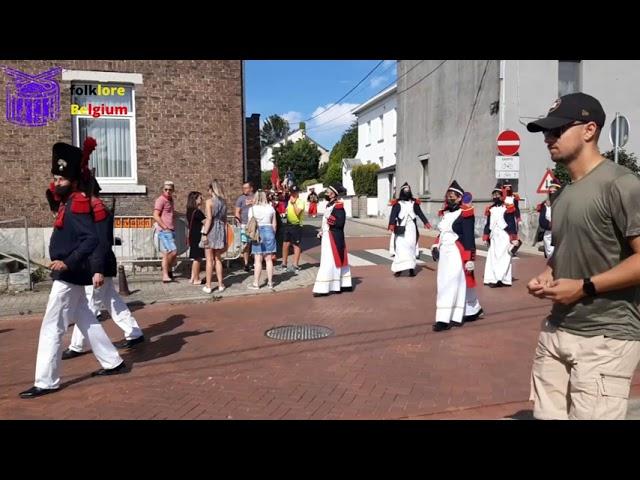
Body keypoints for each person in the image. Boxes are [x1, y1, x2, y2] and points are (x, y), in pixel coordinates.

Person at [526, 92, 640, 420]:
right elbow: (566, 251)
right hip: (557, 330)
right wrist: (549, 273)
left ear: (589, 130)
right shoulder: (563, 194)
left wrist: (585, 286)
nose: (548, 138)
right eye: (546, 132)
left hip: (606, 337)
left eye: (557, 130)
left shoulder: (621, 184)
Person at [20, 140, 126, 399]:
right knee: (86, 319)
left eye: (60, 177)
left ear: (73, 179)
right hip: (71, 274)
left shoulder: (77, 201)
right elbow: (52, 197)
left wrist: (68, 261)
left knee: (51, 326)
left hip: (68, 274)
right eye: (54, 177)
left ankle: (46, 381)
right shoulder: (69, 200)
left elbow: (91, 239)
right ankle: (113, 361)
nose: (55, 182)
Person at [62, 174, 144, 359]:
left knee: (88, 306)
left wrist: (96, 269)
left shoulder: (96, 209)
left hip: (98, 265)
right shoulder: (93, 207)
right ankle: (134, 332)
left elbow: (99, 243)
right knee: (113, 302)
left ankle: (76, 345)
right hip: (100, 263)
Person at [430, 181, 483, 332]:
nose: (449, 198)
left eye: (452, 196)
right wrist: (435, 246)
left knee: (451, 285)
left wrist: (470, 259)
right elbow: (443, 233)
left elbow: (468, 238)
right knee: (445, 284)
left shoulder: (465, 213)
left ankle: (443, 319)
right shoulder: (446, 214)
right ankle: (472, 309)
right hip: (444, 255)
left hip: (456, 254)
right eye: (448, 196)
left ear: (460, 198)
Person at [312, 183, 352, 297]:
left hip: (332, 237)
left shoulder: (338, 206)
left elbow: (340, 223)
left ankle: (323, 288)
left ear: (334, 194)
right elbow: (325, 222)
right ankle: (337, 285)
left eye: (329, 191)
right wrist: (322, 231)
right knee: (329, 261)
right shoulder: (329, 205)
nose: (327, 192)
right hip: (327, 236)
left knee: (328, 262)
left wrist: (329, 222)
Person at [388, 182, 431, 277]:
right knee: (400, 248)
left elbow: (420, 213)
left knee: (411, 248)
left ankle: (411, 269)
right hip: (401, 229)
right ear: (402, 191)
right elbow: (393, 214)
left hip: (411, 229)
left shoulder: (414, 203)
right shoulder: (397, 203)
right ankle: (398, 269)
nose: (407, 192)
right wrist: (391, 224)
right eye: (405, 190)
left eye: (409, 190)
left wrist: (426, 222)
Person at [482, 182, 519, 288]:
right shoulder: (490, 208)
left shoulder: (508, 207)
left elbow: (511, 223)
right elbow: (488, 223)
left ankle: (501, 279)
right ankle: (493, 278)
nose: (495, 196)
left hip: (504, 236)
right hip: (494, 237)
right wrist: (486, 235)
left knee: (504, 258)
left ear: (502, 195)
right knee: (493, 258)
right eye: (494, 194)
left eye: (498, 194)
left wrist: (513, 237)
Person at [247, 190, 277, 290]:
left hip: (258, 232)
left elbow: (250, 224)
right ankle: (270, 283)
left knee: (258, 259)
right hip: (269, 231)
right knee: (268, 259)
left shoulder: (252, 209)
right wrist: (273, 234)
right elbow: (274, 224)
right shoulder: (270, 208)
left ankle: (256, 283)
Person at [202, 180, 228, 294]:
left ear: (211, 189)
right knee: (218, 259)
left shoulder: (209, 202)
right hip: (221, 229)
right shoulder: (223, 202)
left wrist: (204, 233)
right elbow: (225, 220)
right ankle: (221, 284)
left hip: (211, 230)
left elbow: (209, 219)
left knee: (209, 260)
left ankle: (208, 285)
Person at [153, 181, 177, 283]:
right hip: (164, 230)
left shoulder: (170, 200)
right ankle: (165, 274)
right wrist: (165, 227)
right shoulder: (160, 200)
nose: (168, 191)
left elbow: (169, 213)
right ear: (163, 189)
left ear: (173, 190)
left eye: (170, 189)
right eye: (166, 189)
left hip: (170, 230)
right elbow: (155, 215)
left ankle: (168, 273)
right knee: (172, 252)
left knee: (167, 253)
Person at [280, 185, 305, 273]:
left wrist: (294, 203)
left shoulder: (300, 201)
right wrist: (284, 214)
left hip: (296, 225)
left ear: (298, 193)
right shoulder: (289, 201)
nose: (293, 194)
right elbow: (287, 211)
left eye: (295, 192)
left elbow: (298, 212)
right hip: (288, 224)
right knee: (285, 244)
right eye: (292, 192)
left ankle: (295, 265)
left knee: (296, 245)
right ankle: (284, 264)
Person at [536, 178, 562, 259]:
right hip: (549, 235)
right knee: (551, 258)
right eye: (551, 190)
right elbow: (542, 221)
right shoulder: (545, 205)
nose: (553, 191)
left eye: (555, 190)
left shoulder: (563, 203)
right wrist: (551, 225)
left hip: (560, 234)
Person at [235, 182, 255, 272]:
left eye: (246, 188)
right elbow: (237, 212)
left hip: (255, 224)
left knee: (255, 243)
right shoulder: (240, 199)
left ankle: (256, 262)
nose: (244, 190)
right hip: (244, 224)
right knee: (246, 244)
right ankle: (246, 263)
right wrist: (239, 223)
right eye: (243, 188)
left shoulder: (256, 197)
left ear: (251, 188)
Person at [186, 191, 206, 285]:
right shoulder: (197, 212)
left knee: (195, 257)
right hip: (197, 236)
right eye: (200, 198)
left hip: (192, 235)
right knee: (197, 258)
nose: (202, 200)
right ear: (195, 199)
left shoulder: (189, 211)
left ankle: (192, 277)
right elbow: (206, 222)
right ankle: (196, 279)